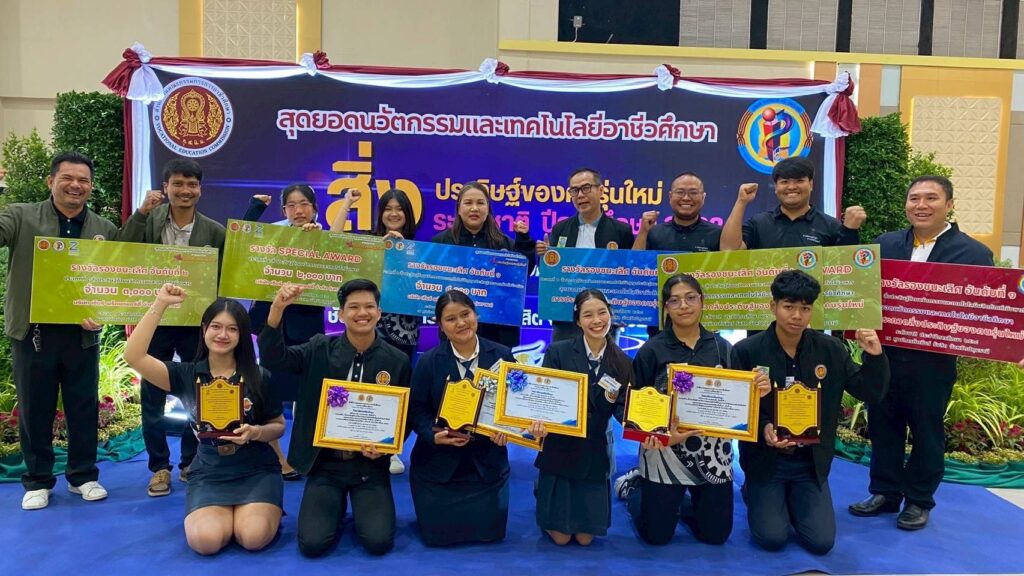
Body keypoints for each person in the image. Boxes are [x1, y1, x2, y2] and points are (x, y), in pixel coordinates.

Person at [849, 175, 994, 530]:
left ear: (949, 204)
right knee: (883, 425)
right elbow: (864, 293)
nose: (921, 205)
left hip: (932, 362)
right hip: (883, 355)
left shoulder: (974, 254)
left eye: (931, 198)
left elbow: (984, 310)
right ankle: (885, 492)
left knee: (927, 431)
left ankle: (918, 500)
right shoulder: (884, 244)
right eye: (914, 198)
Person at [734, 270, 889, 554]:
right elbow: (736, 409)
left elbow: (870, 392)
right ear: (773, 306)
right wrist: (764, 427)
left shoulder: (830, 349)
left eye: (805, 308)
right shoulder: (747, 351)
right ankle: (755, 491)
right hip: (767, 462)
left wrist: (875, 356)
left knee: (821, 542)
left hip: (810, 464)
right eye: (788, 306)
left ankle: (794, 499)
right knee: (772, 538)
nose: (797, 316)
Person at [124, 286, 284, 555]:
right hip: (210, 471)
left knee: (253, 537)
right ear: (204, 329)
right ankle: (226, 514)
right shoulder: (186, 375)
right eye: (216, 327)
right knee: (205, 541)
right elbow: (134, 356)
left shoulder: (259, 376)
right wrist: (160, 304)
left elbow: (278, 426)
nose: (223, 335)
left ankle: (253, 510)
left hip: (256, 470)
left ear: (242, 335)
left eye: (232, 329)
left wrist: (255, 432)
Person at [258, 279, 411, 557]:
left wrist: (388, 447)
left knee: (378, 542)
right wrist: (277, 309)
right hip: (325, 465)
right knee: (312, 545)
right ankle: (334, 503)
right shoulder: (319, 348)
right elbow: (273, 358)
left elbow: (405, 415)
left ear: (379, 312)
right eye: (353, 307)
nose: (362, 313)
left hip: (369, 467)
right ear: (340, 314)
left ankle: (355, 502)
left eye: (369, 306)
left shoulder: (397, 360)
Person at [614, 274, 769, 545]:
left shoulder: (723, 348)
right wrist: (650, 434)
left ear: (702, 301)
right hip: (664, 450)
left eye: (690, 298)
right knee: (656, 537)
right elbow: (628, 402)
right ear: (666, 308)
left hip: (712, 454)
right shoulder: (652, 350)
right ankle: (636, 487)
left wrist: (757, 392)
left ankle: (680, 505)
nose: (683, 305)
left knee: (715, 536)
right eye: (674, 300)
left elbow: (739, 401)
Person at [2, 152, 119, 510]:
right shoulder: (20, 216)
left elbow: (112, 280)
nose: (75, 186)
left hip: (82, 334)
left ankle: (83, 476)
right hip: (33, 333)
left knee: (83, 406)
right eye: (67, 178)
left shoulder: (104, 228)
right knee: (35, 407)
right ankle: (38, 480)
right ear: (51, 181)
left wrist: (103, 311)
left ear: (91, 187)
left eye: (83, 180)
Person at [119, 158, 227, 497]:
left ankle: (190, 462)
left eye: (191, 184)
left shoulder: (214, 231)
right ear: (165, 187)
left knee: (197, 392)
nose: (185, 190)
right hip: (156, 321)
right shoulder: (148, 220)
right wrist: (140, 213)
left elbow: (227, 275)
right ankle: (159, 467)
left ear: (200, 190)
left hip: (195, 323)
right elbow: (121, 251)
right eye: (178, 184)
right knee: (152, 395)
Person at [408, 290, 517, 546]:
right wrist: (433, 435)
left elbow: (514, 404)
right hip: (438, 465)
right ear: (440, 325)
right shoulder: (429, 362)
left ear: (476, 314)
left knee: (490, 535)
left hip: (487, 463)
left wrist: (508, 430)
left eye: (465, 314)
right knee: (438, 539)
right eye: (451, 319)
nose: (460, 323)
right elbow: (416, 410)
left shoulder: (502, 356)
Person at [330, 187, 423, 475]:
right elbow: (333, 243)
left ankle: (391, 447)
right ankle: (352, 437)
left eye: (399, 209)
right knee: (364, 383)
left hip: (404, 330)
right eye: (388, 208)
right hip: (366, 325)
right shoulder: (369, 242)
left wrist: (404, 255)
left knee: (396, 389)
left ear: (408, 215)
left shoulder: (421, 249)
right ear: (380, 213)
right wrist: (347, 204)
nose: (393, 214)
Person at [529, 289, 632, 545]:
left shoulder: (622, 362)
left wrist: (645, 426)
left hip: (594, 449)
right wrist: (539, 422)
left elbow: (623, 408)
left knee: (586, 539)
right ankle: (543, 490)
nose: (597, 320)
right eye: (588, 315)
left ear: (611, 315)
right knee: (562, 539)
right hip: (560, 446)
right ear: (578, 321)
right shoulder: (558, 352)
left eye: (602, 313)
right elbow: (545, 398)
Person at [243, 184, 325, 481]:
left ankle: (307, 454)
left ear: (314, 208)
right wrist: (255, 208)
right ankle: (278, 458)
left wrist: (318, 241)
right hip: (271, 322)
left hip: (307, 324)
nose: (298, 210)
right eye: (291, 205)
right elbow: (241, 239)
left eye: (304, 204)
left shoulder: (324, 237)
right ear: (283, 210)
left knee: (308, 392)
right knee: (269, 388)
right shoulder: (272, 233)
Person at [431, 181, 535, 349]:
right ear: (459, 208)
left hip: (498, 334)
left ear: (488, 209)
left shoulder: (504, 243)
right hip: (457, 331)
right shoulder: (441, 243)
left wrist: (524, 241)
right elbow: (429, 282)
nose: (474, 208)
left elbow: (522, 275)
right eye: (468, 203)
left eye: (480, 203)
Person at [536, 169, 634, 342]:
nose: (580, 195)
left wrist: (625, 311)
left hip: (603, 321)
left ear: (601, 190)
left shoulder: (621, 231)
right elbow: (550, 275)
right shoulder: (560, 229)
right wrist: (544, 257)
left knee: (605, 360)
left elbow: (629, 274)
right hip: (566, 318)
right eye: (574, 190)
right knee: (562, 359)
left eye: (586, 188)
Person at [719, 156, 866, 251]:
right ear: (776, 187)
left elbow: (845, 267)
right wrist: (741, 202)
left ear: (811, 184)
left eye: (799, 181)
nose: (791, 187)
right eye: (784, 182)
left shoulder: (830, 225)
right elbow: (728, 250)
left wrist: (850, 230)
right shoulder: (759, 223)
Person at [633, 171, 726, 253]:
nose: (686, 198)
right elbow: (634, 264)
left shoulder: (717, 234)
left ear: (703, 197)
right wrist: (643, 232)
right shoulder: (654, 233)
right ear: (670, 196)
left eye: (693, 193)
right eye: (680, 192)